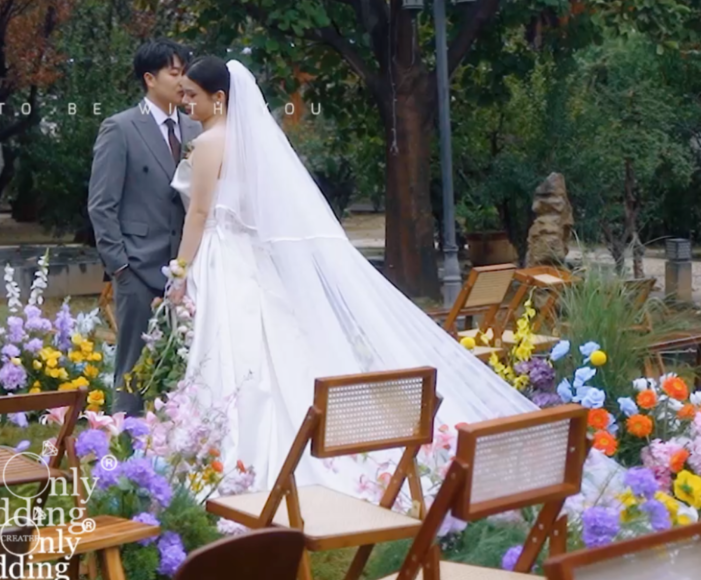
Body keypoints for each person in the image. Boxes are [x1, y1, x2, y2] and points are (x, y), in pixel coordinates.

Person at [169, 56, 534, 492]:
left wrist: (180, 272)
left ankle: (229, 454)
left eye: (192, 94)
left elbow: (200, 213)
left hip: (223, 256)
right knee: (266, 349)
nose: (185, 102)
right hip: (249, 257)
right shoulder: (249, 145)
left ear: (219, 98)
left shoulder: (210, 143)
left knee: (232, 346)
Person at [88, 40, 202, 415]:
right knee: (132, 367)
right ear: (150, 79)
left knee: (186, 361)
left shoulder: (195, 127)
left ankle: (172, 437)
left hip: (189, 266)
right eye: (174, 72)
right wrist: (120, 267)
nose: (183, 81)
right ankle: (123, 438)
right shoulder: (120, 128)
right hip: (137, 268)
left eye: (185, 72)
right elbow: (102, 204)